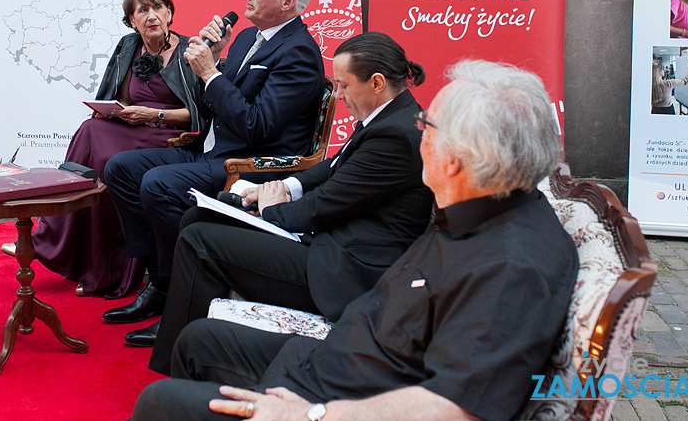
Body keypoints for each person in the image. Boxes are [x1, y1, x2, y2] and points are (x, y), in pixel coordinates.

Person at [131, 60, 578, 421]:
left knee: (161, 403)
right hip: (338, 357)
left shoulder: (512, 266)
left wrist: (313, 414)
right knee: (199, 339)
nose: (416, 132)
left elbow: (453, 407)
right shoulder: (471, 212)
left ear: (457, 161)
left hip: (341, 397)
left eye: (427, 125)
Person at [142, 31, 435, 358]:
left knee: (200, 241)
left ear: (377, 82)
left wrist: (270, 210)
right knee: (201, 216)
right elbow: (334, 167)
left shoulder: (395, 135)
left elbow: (326, 205)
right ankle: (185, 337)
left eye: (343, 85)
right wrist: (286, 186)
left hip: (346, 270)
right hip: (330, 243)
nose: (337, 95)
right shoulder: (390, 115)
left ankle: (180, 357)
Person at [102, 0, 326, 338]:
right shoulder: (243, 39)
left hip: (253, 163)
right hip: (216, 151)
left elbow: (257, 126)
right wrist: (213, 59)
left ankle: (185, 297)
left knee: (157, 183)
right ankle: (159, 282)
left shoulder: (299, 52)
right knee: (120, 168)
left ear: (287, 2)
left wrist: (211, 72)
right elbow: (211, 106)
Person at [20, 0, 206, 299]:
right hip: (133, 125)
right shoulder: (128, 46)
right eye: (142, 10)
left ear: (170, 13)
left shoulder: (189, 51)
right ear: (131, 20)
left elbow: (199, 115)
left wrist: (152, 113)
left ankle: (107, 268)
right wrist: (111, 111)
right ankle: (51, 237)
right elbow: (117, 94)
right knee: (89, 131)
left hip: (171, 133)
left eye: (158, 8)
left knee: (108, 163)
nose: (152, 16)